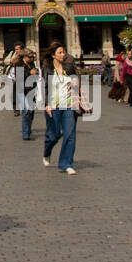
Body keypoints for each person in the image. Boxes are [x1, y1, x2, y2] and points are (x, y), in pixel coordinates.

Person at [41, 44, 79, 174]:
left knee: (70, 134)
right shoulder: (47, 68)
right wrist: (46, 104)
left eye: (64, 52)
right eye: (60, 52)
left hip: (68, 105)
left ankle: (66, 163)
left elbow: (75, 82)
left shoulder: (69, 68)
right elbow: (45, 87)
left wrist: (77, 90)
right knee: (54, 135)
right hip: (53, 105)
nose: (63, 55)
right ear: (53, 55)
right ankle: (47, 151)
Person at [18, 49, 39, 140]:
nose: (31, 59)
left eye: (32, 57)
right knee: (26, 111)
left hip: (31, 90)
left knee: (31, 112)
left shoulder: (32, 64)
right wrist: (29, 73)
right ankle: (26, 133)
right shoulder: (19, 64)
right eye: (30, 57)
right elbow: (19, 78)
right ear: (24, 56)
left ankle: (28, 130)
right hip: (22, 90)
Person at [7, 44, 26, 116]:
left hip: (23, 77)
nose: (16, 51)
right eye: (15, 49)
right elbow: (7, 62)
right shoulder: (14, 56)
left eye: (17, 49)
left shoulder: (25, 57)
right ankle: (16, 110)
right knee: (15, 94)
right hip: (15, 77)